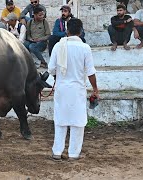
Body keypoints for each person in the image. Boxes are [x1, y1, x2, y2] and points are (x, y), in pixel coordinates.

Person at [48, 18, 99, 161]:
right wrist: (95, 89)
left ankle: (57, 152)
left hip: (62, 88)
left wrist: (59, 74)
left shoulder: (59, 46)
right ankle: (73, 154)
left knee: (60, 120)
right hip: (77, 89)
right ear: (81, 31)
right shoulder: (85, 48)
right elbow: (90, 72)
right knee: (78, 122)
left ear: (67, 31)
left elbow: (51, 68)